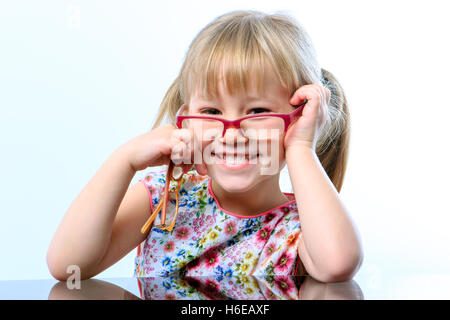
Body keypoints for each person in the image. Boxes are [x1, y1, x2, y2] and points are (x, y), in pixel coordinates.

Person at [47, 9, 363, 284]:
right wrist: (124, 160)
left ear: (297, 118)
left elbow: (337, 264)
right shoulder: (164, 198)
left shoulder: (302, 223)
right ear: (185, 121)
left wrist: (300, 148)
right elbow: (68, 266)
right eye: (211, 112)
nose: (232, 135)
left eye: (257, 112)